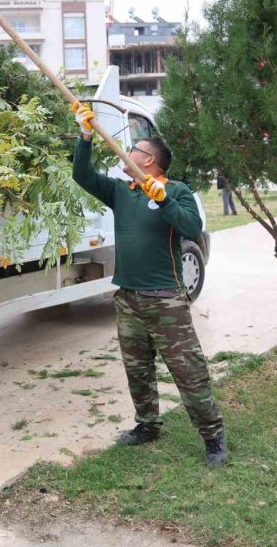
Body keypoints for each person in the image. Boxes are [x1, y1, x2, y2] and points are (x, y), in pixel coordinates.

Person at [70, 103, 227, 467]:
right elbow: (82, 175)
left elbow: (190, 227)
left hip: (166, 301)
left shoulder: (178, 191)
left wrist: (164, 199)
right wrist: (86, 135)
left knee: (188, 370)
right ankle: (147, 425)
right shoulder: (121, 191)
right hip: (128, 298)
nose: (126, 152)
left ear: (150, 161)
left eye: (135, 150)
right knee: (137, 368)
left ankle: (213, 436)